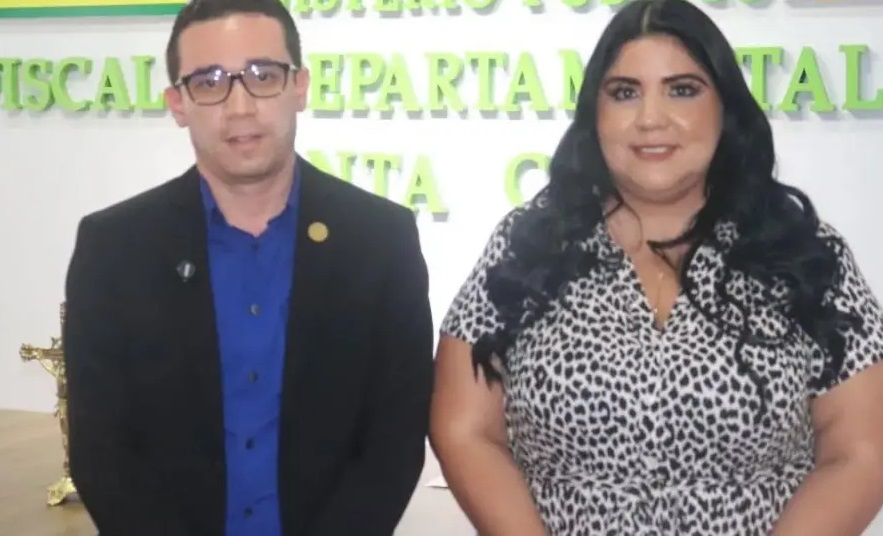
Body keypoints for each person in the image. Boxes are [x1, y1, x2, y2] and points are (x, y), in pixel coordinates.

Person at [429, 0, 883, 534]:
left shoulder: (803, 252)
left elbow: (860, 450)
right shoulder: (527, 246)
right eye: (625, 93)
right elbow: (464, 429)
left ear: (725, 108)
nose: (650, 119)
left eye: (682, 90)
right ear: (595, 113)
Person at [62, 1, 434, 535]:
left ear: (299, 87)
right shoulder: (114, 249)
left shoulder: (381, 240)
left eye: (263, 76)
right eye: (209, 82)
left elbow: (392, 444)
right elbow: (103, 453)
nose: (240, 106)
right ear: (178, 104)